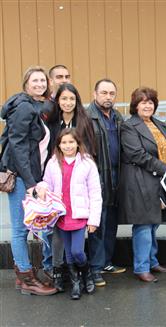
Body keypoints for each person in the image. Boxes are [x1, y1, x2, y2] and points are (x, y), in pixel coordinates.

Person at [0, 66, 57, 295]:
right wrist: (31, 182)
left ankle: (23, 274)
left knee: (28, 226)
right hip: (24, 177)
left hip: (33, 176)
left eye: (42, 81)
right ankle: (26, 278)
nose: (39, 84)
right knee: (21, 228)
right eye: (35, 81)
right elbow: (18, 147)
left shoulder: (38, 106)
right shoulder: (24, 107)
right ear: (26, 84)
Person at [118, 87, 166, 282]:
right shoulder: (129, 126)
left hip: (159, 179)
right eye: (143, 102)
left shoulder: (159, 124)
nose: (147, 105)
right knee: (143, 224)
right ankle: (141, 268)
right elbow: (135, 154)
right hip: (139, 180)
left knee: (154, 223)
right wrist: (163, 168)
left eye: (150, 102)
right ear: (135, 105)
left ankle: (152, 261)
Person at [42, 83, 96, 291]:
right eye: (63, 99)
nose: (67, 103)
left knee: (76, 240)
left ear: (77, 100)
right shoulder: (52, 121)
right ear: (58, 101)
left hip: (79, 178)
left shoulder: (85, 120)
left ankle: (80, 271)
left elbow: (90, 148)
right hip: (55, 176)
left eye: (71, 99)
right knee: (56, 235)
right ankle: (58, 271)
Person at [39, 128, 102, 300]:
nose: (68, 146)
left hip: (79, 215)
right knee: (68, 253)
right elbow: (47, 183)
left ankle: (86, 272)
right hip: (61, 216)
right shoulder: (53, 163)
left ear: (78, 143)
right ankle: (76, 282)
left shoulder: (87, 163)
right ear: (58, 145)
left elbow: (95, 192)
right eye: (64, 142)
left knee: (77, 252)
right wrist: (42, 188)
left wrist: (93, 219)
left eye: (71, 142)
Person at [87, 79, 125, 286]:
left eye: (111, 93)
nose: (108, 97)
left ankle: (107, 262)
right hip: (97, 178)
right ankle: (95, 267)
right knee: (97, 225)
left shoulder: (118, 117)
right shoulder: (87, 117)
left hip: (116, 177)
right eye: (104, 93)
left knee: (111, 223)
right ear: (95, 94)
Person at [39, 64, 71, 281]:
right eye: (59, 76)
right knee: (49, 222)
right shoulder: (45, 107)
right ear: (50, 81)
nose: (63, 79)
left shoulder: (71, 104)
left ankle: (64, 266)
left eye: (67, 76)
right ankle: (50, 266)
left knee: (66, 221)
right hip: (46, 171)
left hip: (68, 172)